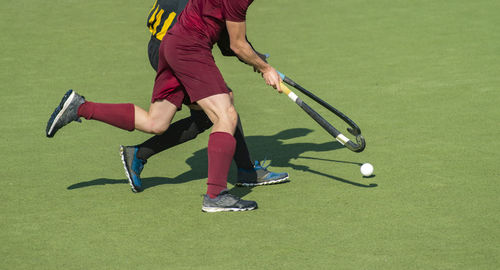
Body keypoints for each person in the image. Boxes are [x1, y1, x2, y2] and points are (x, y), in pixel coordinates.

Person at [46, 0, 284, 212]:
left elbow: (227, 35)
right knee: (225, 112)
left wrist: (257, 59)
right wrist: (265, 68)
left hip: (172, 42)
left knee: (156, 122)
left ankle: (80, 107)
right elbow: (236, 45)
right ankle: (216, 194)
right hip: (190, 47)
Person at [118, 0, 288, 194]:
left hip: (166, 43)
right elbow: (231, 42)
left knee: (210, 113)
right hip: (178, 49)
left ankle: (136, 152)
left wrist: (254, 58)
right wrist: (259, 63)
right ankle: (244, 173)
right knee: (222, 105)